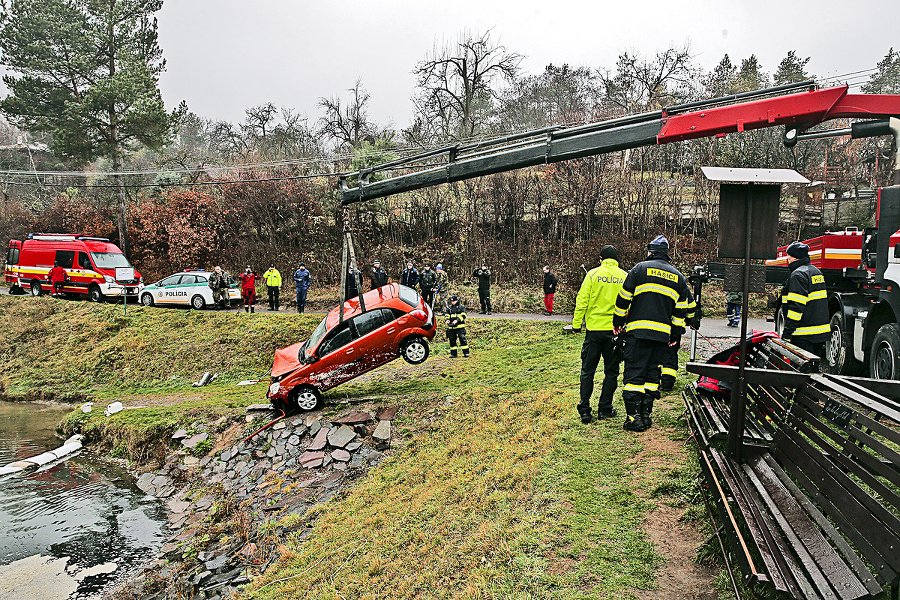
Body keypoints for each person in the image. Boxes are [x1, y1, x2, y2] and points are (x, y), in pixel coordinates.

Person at [613, 235, 695, 432]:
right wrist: (675, 335)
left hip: (637, 334)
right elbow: (680, 312)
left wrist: (617, 322)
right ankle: (646, 416)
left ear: (650, 252)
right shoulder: (678, 278)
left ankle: (634, 419)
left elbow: (623, 299)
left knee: (634, 374)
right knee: (651, 374)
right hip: (661, 338)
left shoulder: (639, 269)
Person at [572, 246, 627, 423]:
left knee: (587, 371)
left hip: (594, 331)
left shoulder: (593, 275)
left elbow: (582, 301)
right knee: (611, 372)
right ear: (617, 259)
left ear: (601, 259)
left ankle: (585, 410)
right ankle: (605, 408)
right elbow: (629, 303)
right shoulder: (624, 276)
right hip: (614, 332)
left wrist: (576, 324)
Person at [781, 241, 829, 360]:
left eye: (789, 256)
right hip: (819, 333)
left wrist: (787, 333)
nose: (788, 259)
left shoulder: (798, 275)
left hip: (803, 334)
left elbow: (796, 307)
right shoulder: (816, 272)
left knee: (802, 372)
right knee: (813, 371)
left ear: (795, 257)